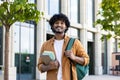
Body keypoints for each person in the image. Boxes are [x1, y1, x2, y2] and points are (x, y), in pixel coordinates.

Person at [37, 13, 89, 80]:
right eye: (56, 23)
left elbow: (86, 60)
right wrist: (49, 66)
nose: (59, 25)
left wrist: (74, 57)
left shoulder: (75, 42)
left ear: (66, 26)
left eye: (62, 23)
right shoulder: (46, 45)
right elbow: (40, 66)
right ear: (52, 26)